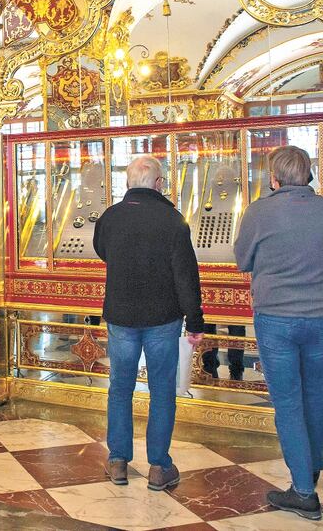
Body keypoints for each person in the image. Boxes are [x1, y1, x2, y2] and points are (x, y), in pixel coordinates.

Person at [93, 155, 204, 491]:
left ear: (128, 183)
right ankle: (159, 466)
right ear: (159, 184)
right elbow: (186, 276)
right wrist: (195, 321)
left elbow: (102, 250)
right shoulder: (173, 221)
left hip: (121, 317)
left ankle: (118, 462)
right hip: (162, 318)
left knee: (120, 388)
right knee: (161, 392)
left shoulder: (111, 218)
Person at [234, 145, 322, 521]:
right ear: (309, 175)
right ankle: (311, 470)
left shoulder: (259, 212)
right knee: (316, 398)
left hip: (275, 319)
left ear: (274, 178)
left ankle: (303, 491)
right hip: (320, 317)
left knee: (288, 404)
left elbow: (242, 260)